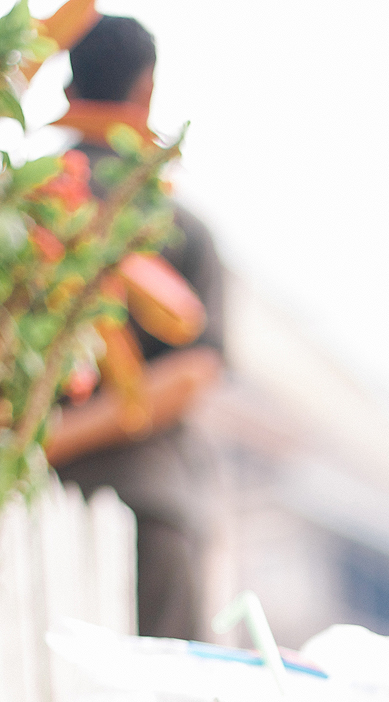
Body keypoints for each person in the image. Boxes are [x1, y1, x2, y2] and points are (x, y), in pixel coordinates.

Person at [47, 16, 225, 639]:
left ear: (68, 91)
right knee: (164, 692)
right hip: (147, 505)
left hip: (27, 494)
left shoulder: (23, 212)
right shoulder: (177, 227)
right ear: (146, 90)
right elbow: (192, 374)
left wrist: (42, 441)